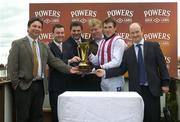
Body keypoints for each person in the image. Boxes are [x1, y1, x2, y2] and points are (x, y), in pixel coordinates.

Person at [7, 17, 79, 122]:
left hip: (40, 86)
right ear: (28, 28)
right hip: (23, 86)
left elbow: (54, 61)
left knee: (38, 117)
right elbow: (12, 65)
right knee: (23, 117)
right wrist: (16, 84)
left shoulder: (44, 46)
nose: (37, 29)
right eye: (34, 26)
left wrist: (69, 69)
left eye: (39, 27)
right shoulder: (18, 44)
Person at [96, 22, 170, 122]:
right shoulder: (127, 52)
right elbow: (121, 69)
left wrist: (165, 83)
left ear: (142, 31)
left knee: (153, 118)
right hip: (136, 91)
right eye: (132, 33)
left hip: (152, 90)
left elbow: (162, 66)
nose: (135, 35)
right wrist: (105, 73)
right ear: (129, 34)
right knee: (138, 118)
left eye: (137, 32)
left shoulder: (154, 46)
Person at [48, 24, 80, 122]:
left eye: (62, 33)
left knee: (69, 114)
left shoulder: (68, 46)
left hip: (69, 86)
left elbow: (73, 64)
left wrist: (79, 68)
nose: (60, 35)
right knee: (56, 113)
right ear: (52, 34)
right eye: (58, 33)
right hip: (56, 87)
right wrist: (70, 60)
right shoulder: (48, 47)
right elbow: (54, 63)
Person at [89, 17, 127, 91]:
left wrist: (101, 66)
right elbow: (97, 60)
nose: (107, 30)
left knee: (116, 102)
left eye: (110, 27)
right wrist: (88, 54)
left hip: (115, 80)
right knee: (105, 102)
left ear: (115, 28)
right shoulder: (102, 42)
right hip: (103, 79)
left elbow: (116, 62)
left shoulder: (118, 41)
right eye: (105, 27)